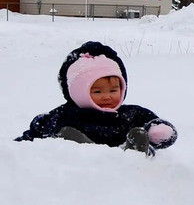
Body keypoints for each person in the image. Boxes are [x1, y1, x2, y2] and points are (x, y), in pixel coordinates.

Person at [15, 41, 177, 156]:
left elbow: (155, 123)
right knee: (67, 133)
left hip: (126, 162)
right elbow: (36, 133)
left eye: (114, 90)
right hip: (83, 169)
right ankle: (82, 149)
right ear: (78, 92)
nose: (107, 96)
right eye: (97, 91)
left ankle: (135, 154)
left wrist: (158, 132)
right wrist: (18, 147)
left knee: (138, 135)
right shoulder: (65, 115)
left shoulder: (130, 114)